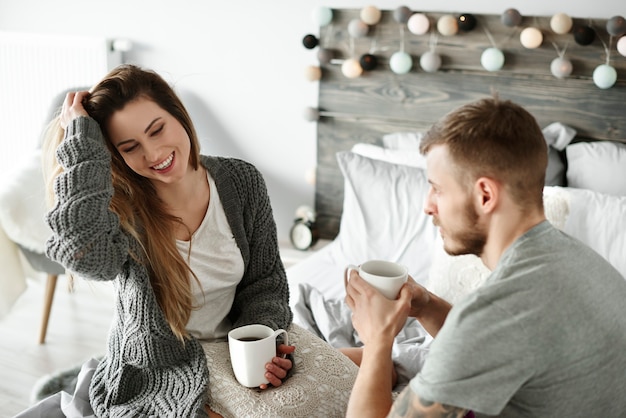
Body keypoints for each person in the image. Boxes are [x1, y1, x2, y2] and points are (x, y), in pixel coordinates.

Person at [32, 64, 294, 417]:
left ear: (178, 114)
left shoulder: (241, 181)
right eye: (130, 147)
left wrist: (264, 344)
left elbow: (265, 283)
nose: (154, 154)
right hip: (157, 371)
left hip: (237, 351)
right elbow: (86, 258)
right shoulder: (122, 210)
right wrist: (80, 139)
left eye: (157, 130)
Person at [344, 96, 626, 417]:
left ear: (485, 195)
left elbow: (490, 327)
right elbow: (496, 342)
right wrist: (426, 305)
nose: (427, 205)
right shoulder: (584, 263)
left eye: (437, 188)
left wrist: (378, 338)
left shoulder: (498, 310)